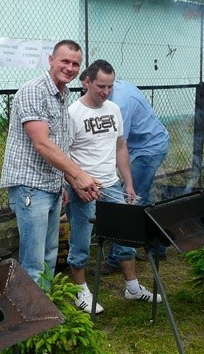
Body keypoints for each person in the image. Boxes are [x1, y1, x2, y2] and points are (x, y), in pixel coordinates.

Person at [0, 39, 100, 288]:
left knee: (48, 256)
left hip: (51, 187)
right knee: (33, 263)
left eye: (75, 64)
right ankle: (33, 319)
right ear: (51, 60)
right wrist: (78, 175)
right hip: (31, 188)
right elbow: (42, 144)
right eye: (65, 61)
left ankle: (47, 312)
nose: (70, 67)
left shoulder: (62, 94)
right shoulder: (35, 90)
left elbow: (59, 144)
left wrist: (63, 182)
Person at [65, 59, 162, 314]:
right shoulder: (73, 114)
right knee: (81, 243)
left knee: (126, 236)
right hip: (84, 190)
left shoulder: (114, 109)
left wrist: (128, 183)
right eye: (101, 86)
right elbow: (63, 156)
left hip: (112, 185)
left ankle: (132, 287)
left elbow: (121, 147)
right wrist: (75, 183)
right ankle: (81, 293)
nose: (106, 92)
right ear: (87, 82)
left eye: (109, 87)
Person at [103, 78, 171, 272]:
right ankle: (157, 247)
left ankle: (117, 259)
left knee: (129, 202)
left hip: (149, 149)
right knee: (143, 199)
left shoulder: (119, 103)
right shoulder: (115, 87)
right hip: (142, 146)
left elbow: (117, 143)